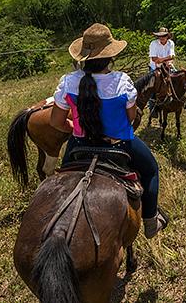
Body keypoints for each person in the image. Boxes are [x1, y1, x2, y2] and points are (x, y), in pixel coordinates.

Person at [49, 23, 168, 238]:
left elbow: (56, 123)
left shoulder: (68, 82)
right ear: (110, 57)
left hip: (79, 143)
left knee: (61, 178)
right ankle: (150, 220)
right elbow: (131, 118)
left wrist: (75, 128)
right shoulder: (122, 81)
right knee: (151, 170)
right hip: (119, 143)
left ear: (84, 56)